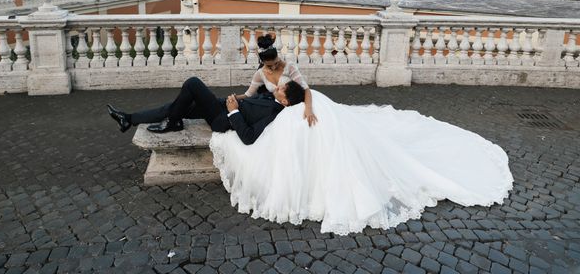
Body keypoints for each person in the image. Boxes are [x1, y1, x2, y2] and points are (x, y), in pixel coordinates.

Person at [210, 89, 514, 235]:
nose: (274, 91)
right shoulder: (311, 100)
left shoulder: (291, 118)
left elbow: (276, 146)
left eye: (278, 91)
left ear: (288, 101)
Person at [107, 76, 306, 145]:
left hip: (222, 119)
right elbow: (253, 95)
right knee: (177, 106)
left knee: (193, 83)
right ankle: (128, 119)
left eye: (281, 89)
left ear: (286, 102)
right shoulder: (270, 97)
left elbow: (249, 137)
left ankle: (174, 123)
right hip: (221, 106)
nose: (277, 87)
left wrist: (234, 111)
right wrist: (234, 100)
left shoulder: (275, 114)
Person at [238, 34, 318, 127]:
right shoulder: (260, 74)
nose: (274, 67)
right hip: (280, 109)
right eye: (269, 65)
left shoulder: (289, 67)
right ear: (262, 62)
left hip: (300, 103)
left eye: (276, 62)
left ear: (277, 56)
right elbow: (248, 94)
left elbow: (306, 89)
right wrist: (235, 97)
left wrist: (308, 109)